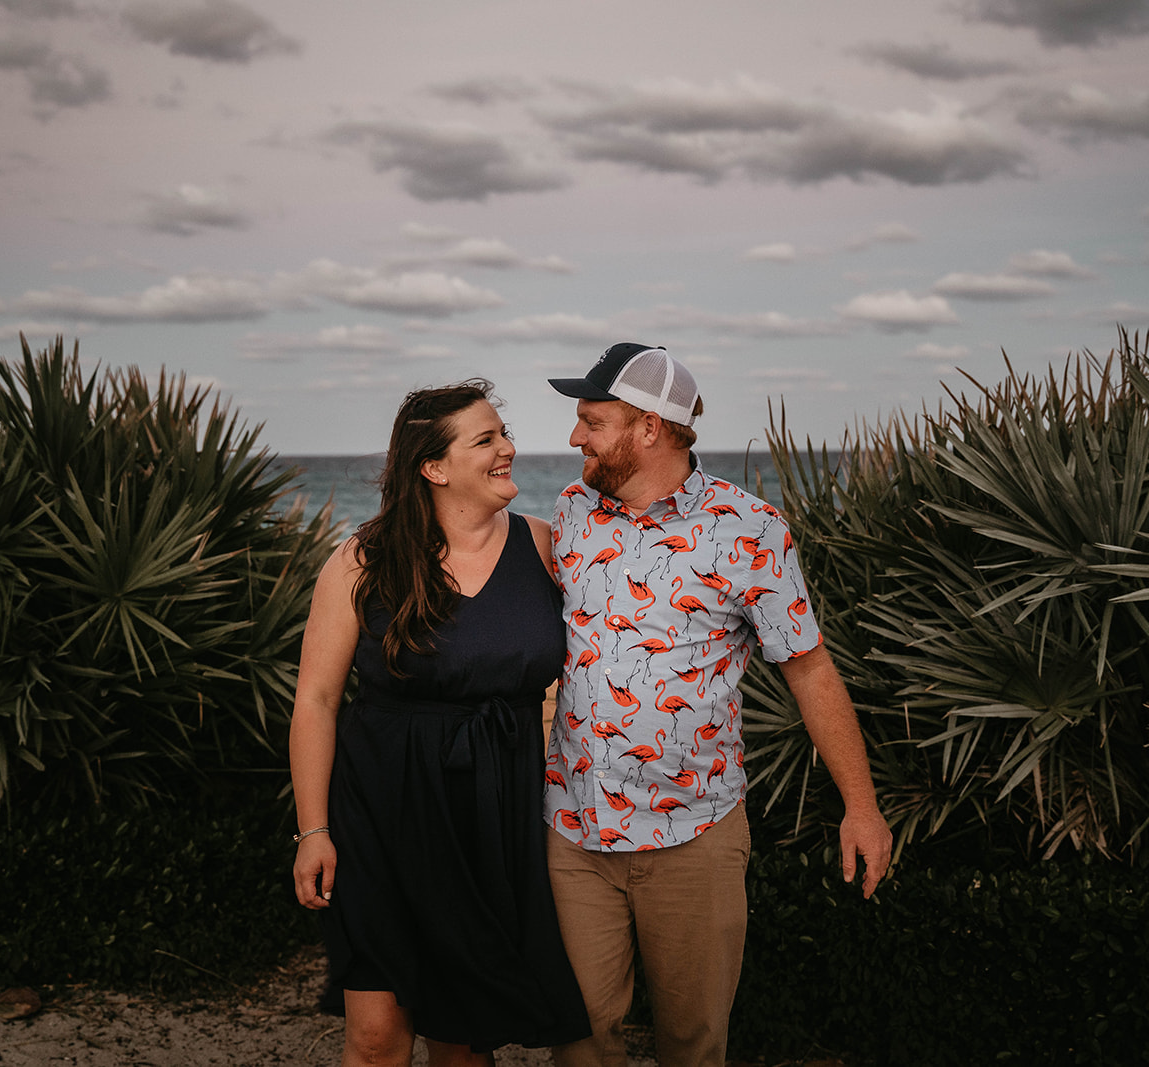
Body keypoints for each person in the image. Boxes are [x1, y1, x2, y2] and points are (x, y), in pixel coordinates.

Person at [543, 343, 894, 1067]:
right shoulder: (572, 511)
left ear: (649, 428)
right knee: (578, 1040)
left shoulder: (750, 528)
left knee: (694, 1045)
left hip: (693, 837)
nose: (575, 436)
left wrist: (861, 806)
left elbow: (811, 669)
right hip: (575, 832)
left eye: (592, 420)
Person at [288, 380, 591, 1066]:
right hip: (381, 810)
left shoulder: (545, 548)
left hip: (492, 812)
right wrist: (313, 829)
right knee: (376, 1033)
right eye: (485, 439)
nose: (508, 448)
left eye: (502, 432)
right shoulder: (361, 561)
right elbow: (316, 701)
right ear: (433, 466)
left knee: (461, 1036)